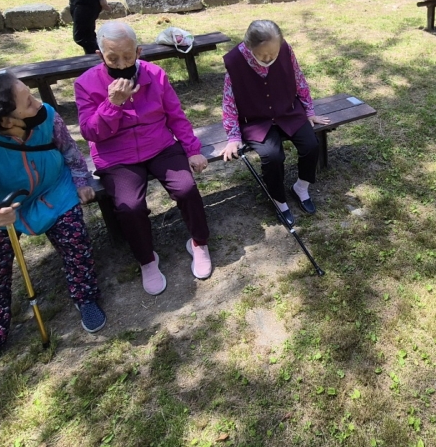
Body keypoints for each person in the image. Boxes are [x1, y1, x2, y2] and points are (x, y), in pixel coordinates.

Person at [0, 74, 105, 388]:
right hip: (6, 209)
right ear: (6, 120)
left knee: (76, 242)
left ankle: (86, 297)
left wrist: (81, 181)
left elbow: (70, 152)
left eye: (32, 95)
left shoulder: (48, 117)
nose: (39, 104)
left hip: (55, 190)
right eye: (28, 102)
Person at [74, 21, 212, 295]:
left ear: (138, 52)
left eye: (128, 56)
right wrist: (112, 104)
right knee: (129, 206)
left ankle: (199, 242)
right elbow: (91, 132)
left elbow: (176, 116)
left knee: (186, 188)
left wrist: (192, 149)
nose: (122, 64)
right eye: (113, 58)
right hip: (117, 155)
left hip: (159, 144)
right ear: (100, 55)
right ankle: (147, 259)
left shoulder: (155, 74)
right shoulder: (86, 84)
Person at [221, 20, 329, 226]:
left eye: (274, 54)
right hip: (256, 120)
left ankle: (300, 187)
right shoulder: (235, 61)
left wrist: (309, 110)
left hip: (288, 112)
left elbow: (299, 79)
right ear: (249, 47)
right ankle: (279, 200)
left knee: (311, 145)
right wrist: (233, 136)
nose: (269, 59)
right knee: (272, 156)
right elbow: (229, 101)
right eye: (263, 56)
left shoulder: (286, 50)